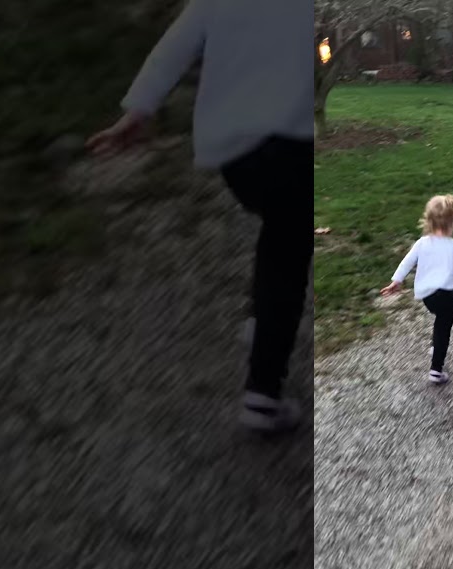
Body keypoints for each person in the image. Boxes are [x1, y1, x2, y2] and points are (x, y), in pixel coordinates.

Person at [86, 0, 311, 435]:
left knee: (278, 230)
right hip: (287, 145)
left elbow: (175, 45)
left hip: (234, 156)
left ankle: (263, 322)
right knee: (288, 250)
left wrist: (138, 111)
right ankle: (263, 392)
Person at [380, 195, 453, 385]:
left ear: (428, 221)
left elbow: (407, 262)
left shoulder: (421, 243)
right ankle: (436, 370)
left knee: (439, 320)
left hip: (428, 297)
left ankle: (436, 347)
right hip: (448, 296)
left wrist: (397, 280)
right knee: (444, 328)